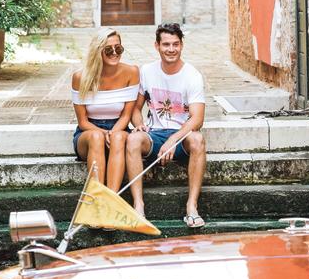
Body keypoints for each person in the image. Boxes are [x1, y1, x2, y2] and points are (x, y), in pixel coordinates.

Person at [125, 23, 207, 228]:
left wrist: (172, 140)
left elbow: (197, 119)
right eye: (166, 44)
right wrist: (139, 125)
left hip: (182, 137)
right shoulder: (146, 71)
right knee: (133, 138)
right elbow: (135, 108)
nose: (171, 49)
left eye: (176, 44)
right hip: (155, 135)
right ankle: (139, 207)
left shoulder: (192, 75)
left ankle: (192, 207)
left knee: (198, 139)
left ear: (182, 45)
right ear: (157, 46)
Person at [71, 29, 139, 192]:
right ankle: (98, 196)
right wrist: (103, 133)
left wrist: (112, 132)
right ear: (98, 51)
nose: (115, 53)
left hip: (119, 127)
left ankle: (111, 199)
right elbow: (83, 122)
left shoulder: (132, 72)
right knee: (96, 137)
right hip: (88, 132)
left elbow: (126, 116)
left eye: (119, 48)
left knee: (117, 137)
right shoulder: (80, 77)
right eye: (109, 49)